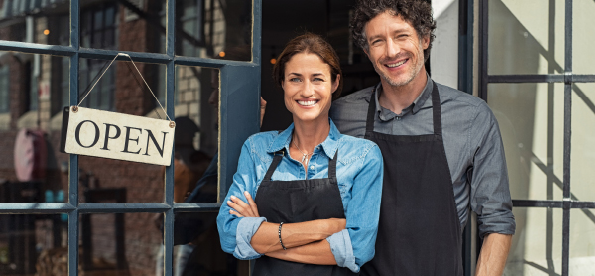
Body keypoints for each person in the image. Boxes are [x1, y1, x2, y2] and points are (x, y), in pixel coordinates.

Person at [329, 0, 515, 275]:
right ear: (368, 52)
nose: (392, 51)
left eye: (402, 36)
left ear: (425, 38)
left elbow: (497, 221)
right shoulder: (340, 115)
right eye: (378, 41)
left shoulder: (472, 117)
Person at [216, 33, 383, 275]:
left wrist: (263, 241)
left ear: (335, 83)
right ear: (282, 83)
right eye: (295, 79)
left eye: (317, 79)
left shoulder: (363, 156)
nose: (306, 91)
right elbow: (229, 233)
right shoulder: (257, 149)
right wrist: (323, 228)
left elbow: (358, 248)